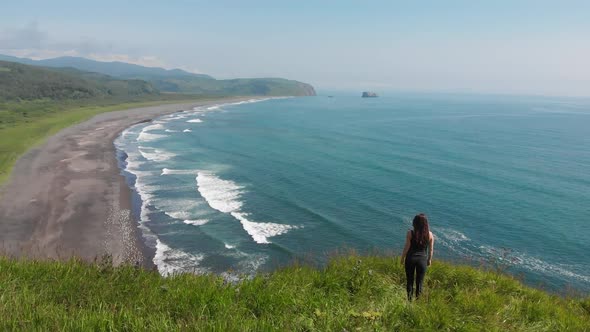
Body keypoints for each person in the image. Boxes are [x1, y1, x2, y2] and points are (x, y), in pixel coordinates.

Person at [401, 213, 434, 300]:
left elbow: (406, 248)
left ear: (414, 223)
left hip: (410, 259)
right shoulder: (430, 235)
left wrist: (402, 258)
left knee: (410, 281)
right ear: (426, 223)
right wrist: (429, 260)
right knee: (420, 283)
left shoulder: (410, 233)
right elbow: (431, 250)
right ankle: (418, 302)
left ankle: (409, 301)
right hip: (422, 260)